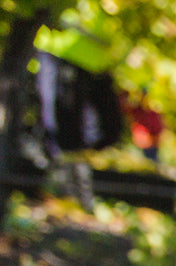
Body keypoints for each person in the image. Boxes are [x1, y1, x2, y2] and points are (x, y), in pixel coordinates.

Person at [33, 4, 124, 206]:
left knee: (107, 132)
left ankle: (79, 192)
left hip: (96, 60)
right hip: (65, 52)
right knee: (64, 131)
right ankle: (63, 193)